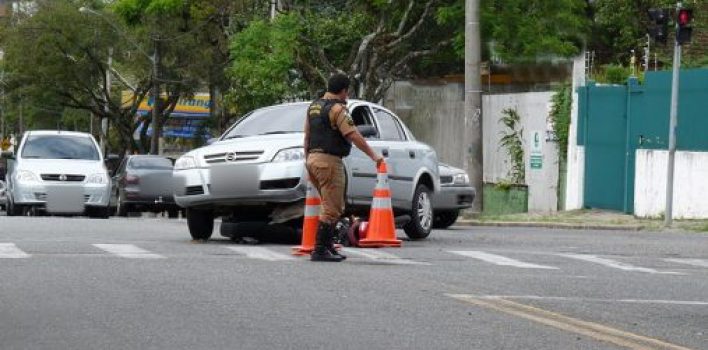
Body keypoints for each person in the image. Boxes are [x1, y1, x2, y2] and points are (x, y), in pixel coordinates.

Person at [304, 73, 384, 262]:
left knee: (330, 204)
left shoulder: (313, 107)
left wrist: (307, 159)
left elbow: (307, 136)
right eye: (347, 92)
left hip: (312, 159)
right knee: (332, 208)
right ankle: (320, 249)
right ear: (343, 91)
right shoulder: (338, 109)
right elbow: (353, 135)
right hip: (329, 161)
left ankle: (329, 247)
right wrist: (373, 155)